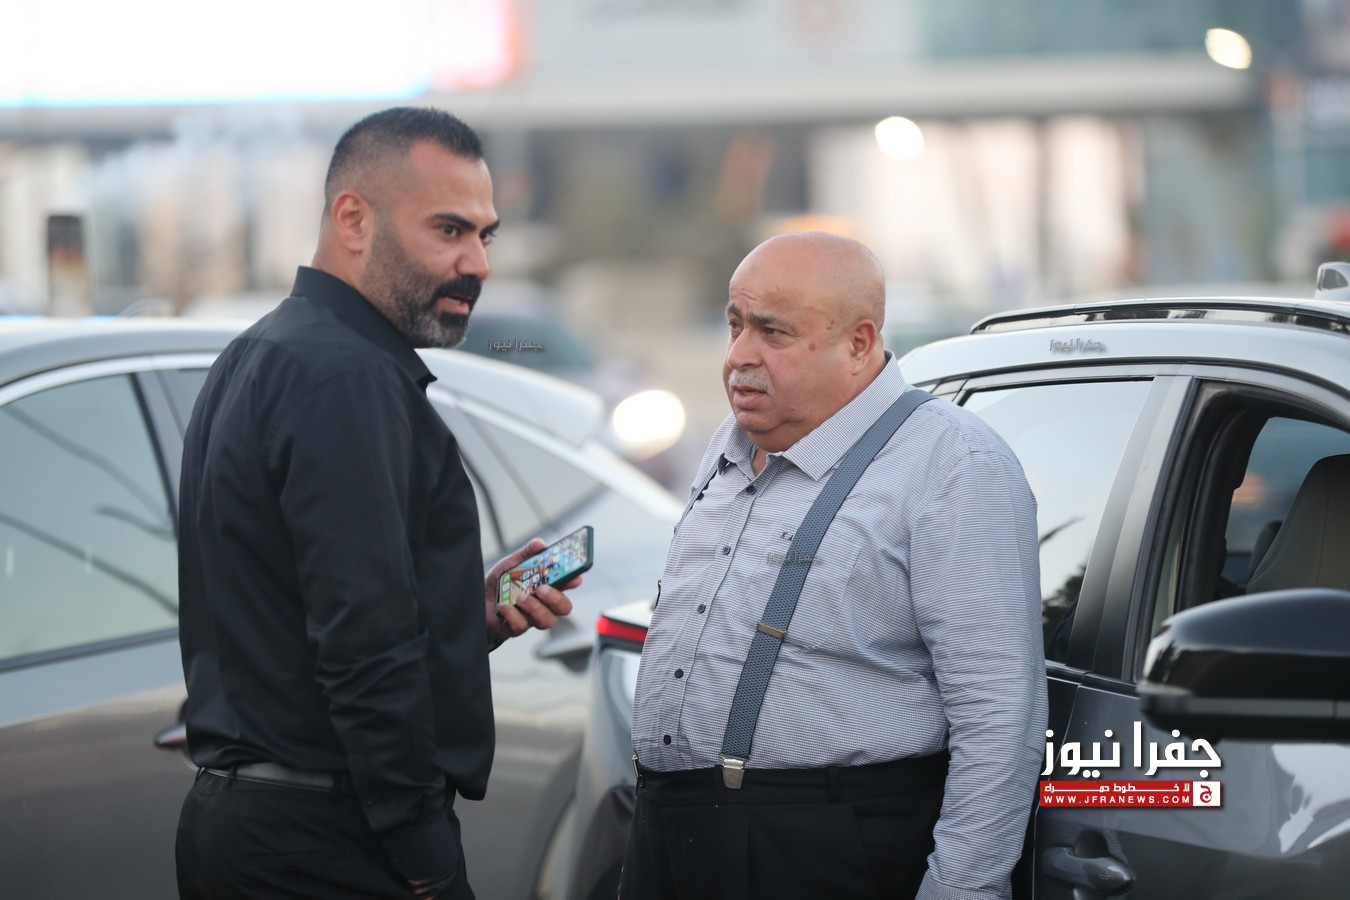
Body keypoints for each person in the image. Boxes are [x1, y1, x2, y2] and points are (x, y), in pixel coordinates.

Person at [175, 106, 575, 900]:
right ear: (353, 219)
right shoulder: (342, 376)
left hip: (266, 832)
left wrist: (467, 617)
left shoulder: (271, 351)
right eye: (449, 230)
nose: (476, 263)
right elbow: (364, 648)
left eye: (485, 236)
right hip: (322, 842)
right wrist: (425, 855)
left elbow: (298, 619)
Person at [621, 231, 1046, 900]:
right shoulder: (729, 444)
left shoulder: (951, 461)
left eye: (773, 332)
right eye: (735, 325)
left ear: (858, 343)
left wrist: (961, 891)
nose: (738, 356)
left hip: (821, 847)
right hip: (672, 837)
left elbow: (998, 715)